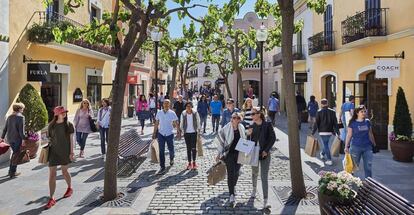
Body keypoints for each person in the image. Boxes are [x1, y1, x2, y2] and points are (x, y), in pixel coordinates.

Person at [45, 106, 75, 209]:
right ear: (56, 114)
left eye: (65, 112)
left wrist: (71, 152)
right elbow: (48, 137)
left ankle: (70, 188)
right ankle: (52, 198)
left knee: (64, 172)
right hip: (53, 152)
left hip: (65, 152)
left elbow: (71, 140)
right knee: (52, 174)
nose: (64, 114)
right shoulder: (51, 125)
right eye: (62, 112)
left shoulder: (69, 125)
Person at [248, 107, 276, 209]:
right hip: (254, 154)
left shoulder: (267, 124)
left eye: (253, 114)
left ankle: (265, 200)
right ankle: (254, 190)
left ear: (259, 114)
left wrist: (266, 150)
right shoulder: (251, 125)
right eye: (251, 114)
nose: (252, 116)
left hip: (265, 154)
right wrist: (248, 135)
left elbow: (273, 138)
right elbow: (248, 142)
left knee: (264, 177)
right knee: (254, 173)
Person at [216, 112, 246, 206]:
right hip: (229, 154)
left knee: (236, 173)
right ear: (231, 119)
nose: (236, 119)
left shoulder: (241, 128)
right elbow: (221, 140)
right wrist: (219, 154)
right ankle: (231, 195)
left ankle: (233, 186)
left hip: (239, 154)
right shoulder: (226, 128)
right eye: (234, 117)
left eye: (237, 118)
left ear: (239, 119)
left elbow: (244, 140)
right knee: (230, 174)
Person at [345, 106, 376, 178]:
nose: (364, 113)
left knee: (368, 167)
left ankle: (368, 184)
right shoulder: (352, 123)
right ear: (357, 113)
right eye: (361, 111)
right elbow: (349, 135)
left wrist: (374, 144)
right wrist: (346, 146)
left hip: (367, 147)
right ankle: (349, 182)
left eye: (365, 111)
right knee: (352, 167)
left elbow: (370, 133)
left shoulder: (367, 122)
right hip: (356, 147)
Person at [152, 99, 181, 174]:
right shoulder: (159, 113)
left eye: (168, 104)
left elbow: (176, 123)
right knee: (161, 151)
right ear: (163, 104)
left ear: (170, 105)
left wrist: (178, 132)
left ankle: (171, 158)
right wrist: (154, 132)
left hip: (169, 134)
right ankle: (162, 167)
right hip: (161, 134)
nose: (166, 105)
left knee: (171, 149)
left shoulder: (172, 113)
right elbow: (156, 123)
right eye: (165, 103)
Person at [1, 103, 26, 178]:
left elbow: (5, 128)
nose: (23, 110)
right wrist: (24, 139)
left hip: (9, 138)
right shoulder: (21, 117)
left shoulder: (9, 117)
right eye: (22, 108)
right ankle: (13, 172)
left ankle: (10, 171)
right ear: (19, 109)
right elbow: (21, 131)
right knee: (16, 154)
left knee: (14, 154)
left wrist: (2, 137)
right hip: (17, 139)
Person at [311, 99, 339, 166]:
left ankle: (329, 160)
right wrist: (337, 132)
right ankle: (322, 153)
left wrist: (312, 132)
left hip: (322, 132)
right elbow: (335, 123)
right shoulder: (332, 111)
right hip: (330, 131)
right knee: (325, 144)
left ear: (321, 104)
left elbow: (316, 123)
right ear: (327, 103)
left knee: (325, 145)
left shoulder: (319, 111)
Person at [180, 102, 201, 170]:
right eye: (187, 106)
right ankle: (189, 162)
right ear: (185, 107)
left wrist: (198, 130)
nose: (188, 107)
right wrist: (182, 131)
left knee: (193, 148)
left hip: (193, 132)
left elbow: (198, 121)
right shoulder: (183, 113)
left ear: (191, 107)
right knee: (188, 148)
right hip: (186, 133)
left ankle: (194, 162)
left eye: (190, 106)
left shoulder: (195, 113)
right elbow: (181, 122)